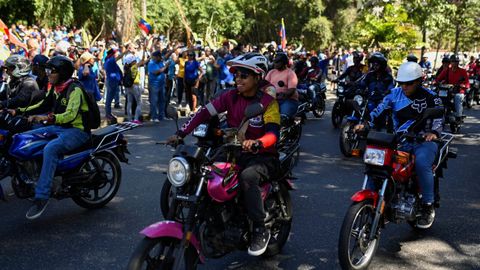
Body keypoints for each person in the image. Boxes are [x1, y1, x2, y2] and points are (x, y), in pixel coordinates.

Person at [167, 53, 280, 256]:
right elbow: (203, 113)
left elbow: (273, 134)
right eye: (236, 75)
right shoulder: (229, 96)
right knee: (206, 171)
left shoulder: (268, 103)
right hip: (233, 151)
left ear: (257, 77)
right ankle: (215, 221)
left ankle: (259, 229)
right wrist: (180, 133)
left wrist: (257, 143)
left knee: (248, 177)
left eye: (244, 76)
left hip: (261, 156)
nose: (238, 79)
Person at [354, 62, 444, 228]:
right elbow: (378, 110)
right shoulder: (393, 95)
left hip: (424, 141)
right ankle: (374, 201)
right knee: (379, 165)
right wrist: (365, 124)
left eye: (409, 83)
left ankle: (427, 205)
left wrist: (435, 133)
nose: (404, 86)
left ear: (419, 81)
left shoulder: (432, 97)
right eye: (402, 82)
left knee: (422, 163)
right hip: (399, 141)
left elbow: (439, 117)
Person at [24, 56, 92, 219]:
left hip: (77, 131)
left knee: (51, 148)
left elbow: (70, 115)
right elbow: (42, 105)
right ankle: (34, 177)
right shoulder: (56, 88)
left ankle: (42, 196)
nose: (47, 74)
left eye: (51, 71)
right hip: (60, 127)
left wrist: (48, 118)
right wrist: (18, 110)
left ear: (61, 73)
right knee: (26, 137)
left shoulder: (75, 90)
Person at [359, 52, 394, 128]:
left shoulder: (388, 77)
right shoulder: (370, 75)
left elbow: (391, 87)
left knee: (383, 112)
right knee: (362, 107)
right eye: (373, 64)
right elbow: (362, 84)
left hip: (382, 100)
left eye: (377, 64)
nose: (374, 65)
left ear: (382, 65)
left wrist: (387, 92)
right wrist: (359, 88)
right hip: (369, 99)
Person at [434, 54, 470, 120]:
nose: (455, 63)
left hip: (458, 91)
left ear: (458, 62)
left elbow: (467, 83)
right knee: (437, 96)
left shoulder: (463, 71)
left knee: (458, 97)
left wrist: (463, 85)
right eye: (453, 61)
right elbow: (438, 79)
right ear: (450, 62)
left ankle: (459, 115)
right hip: (447, 90)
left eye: (456, 61)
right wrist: (436, 82)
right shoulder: (446, 70)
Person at [265, 53, 299, 118]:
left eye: (277, 62)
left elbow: (291, 89)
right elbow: (265, 85)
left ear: (284, 62)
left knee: (283, 117)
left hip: (288, 100)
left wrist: (283, 94)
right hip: (272, 100)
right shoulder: (271, 72)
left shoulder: (290, 73)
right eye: (275, 61)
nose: (275, 63)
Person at [148, 50, 170, 122]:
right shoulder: (151, 63)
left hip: (161, 84)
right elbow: (156, 72)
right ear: (156, 57)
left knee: (162, 100)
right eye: (159, 57)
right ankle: (154, 117)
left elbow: (167, 55)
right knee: (154, 101)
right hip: (154, 84)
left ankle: (161, 116)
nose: (160, 58)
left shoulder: (160, 62)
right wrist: (165, 67)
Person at [103, 48, 123, 122]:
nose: (117, 54)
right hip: (112, 81)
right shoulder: (111, 60)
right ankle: (108, 114)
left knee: (110, 98)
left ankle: (108, 113)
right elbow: (119, 57)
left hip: (113, 80)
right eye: (115, 53)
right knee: (109, 98)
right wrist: (126, 51)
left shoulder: (108, 60)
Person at [123, 54, 143, 124]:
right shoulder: (134, 67)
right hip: (135, 86)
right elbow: (143, 61)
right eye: (134, 60)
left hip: (128, 87)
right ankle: (136, 119)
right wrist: (144, 52)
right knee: (139, 103)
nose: (135, 61)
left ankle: (129, 119)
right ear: (132, 62)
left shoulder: (126, 67)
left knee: (129, 102)